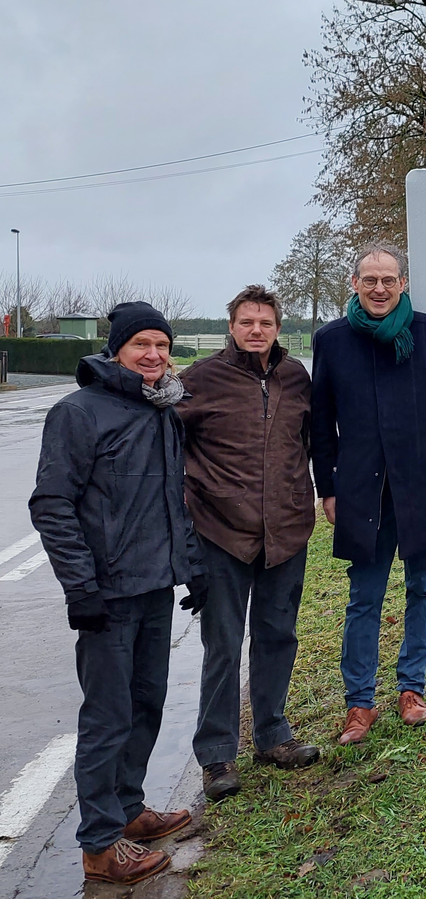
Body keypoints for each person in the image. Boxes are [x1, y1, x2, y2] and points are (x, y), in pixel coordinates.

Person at [30, 302, 204, 885]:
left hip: (154, 587)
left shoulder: (161, 410)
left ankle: (128, 811)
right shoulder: (78, 413)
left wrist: (192, 567)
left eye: (161, 345)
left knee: (145, 705)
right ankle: (100, 844)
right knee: (107, 717)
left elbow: (169, 501)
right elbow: (52, 505)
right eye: (140, 346)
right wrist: (80, 589)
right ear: (116, 351)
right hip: (106, 597)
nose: (153, 355)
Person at [311, 241, 426, 745]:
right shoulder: (332, 340)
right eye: (370, 280)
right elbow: (321, 423)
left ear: (403, 284)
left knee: (423, 589)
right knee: (363, 598)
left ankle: (412, 688)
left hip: (423, 484)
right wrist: (329, 487)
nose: (380, 288)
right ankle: (359, 703)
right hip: (362, 489)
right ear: (355, 284)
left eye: (389, 280)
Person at [179, 285, 319, 802]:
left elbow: (314, 441)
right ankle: (217, 756)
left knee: (278, 635)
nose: (256, 330)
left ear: (278, 328)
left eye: (265, 322)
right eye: (246, 322)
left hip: (286, 528)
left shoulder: (295, 377)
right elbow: (169, 445)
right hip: (221, 533)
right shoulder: (199, 380)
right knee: (223, 644)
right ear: (231, 327)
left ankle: (273, 735)